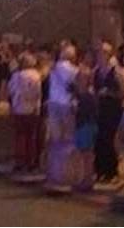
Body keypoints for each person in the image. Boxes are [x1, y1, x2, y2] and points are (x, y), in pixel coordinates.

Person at [46, 43, 79, 192]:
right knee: (67, 139)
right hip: (66, 104)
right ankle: (66, 173)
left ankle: (54, 172)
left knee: (55, 139)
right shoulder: (70, 69)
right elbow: (74, 85)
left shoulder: (54, 68)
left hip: (54, 103)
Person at [94, 41, 124, 184]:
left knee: (110, 138)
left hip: (112, 108)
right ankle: (100, 169)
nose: (100, 55)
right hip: (100, 107)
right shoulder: (97, 70)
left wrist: (109, 92)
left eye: (103, 52)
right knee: (100, 138)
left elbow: (122, 91)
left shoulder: (115, 70)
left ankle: (111, 170)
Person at [8, 52, 42, 173]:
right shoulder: (37, 76)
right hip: (33, 109)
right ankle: (31, 162)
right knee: (31, 137)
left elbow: (11, 91)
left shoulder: (17, 76)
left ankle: (20, 162)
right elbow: (38, 93)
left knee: (20, 136)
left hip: (19, 108)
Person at [74, 66, 98, 191]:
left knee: (87, 154)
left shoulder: (88, 95)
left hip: (86, 125)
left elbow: (89, 112)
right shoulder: (80, 94)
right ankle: (84, 178)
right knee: (83, 154)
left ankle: (88, 179)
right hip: (82, 125)